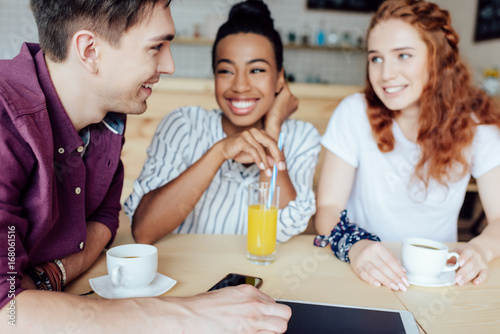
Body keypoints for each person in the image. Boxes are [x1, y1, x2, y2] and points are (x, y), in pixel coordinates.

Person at [0, 0, 290, 332]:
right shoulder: (6, 119)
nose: (169, 65)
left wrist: (49, 276)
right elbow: (7, 314)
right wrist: (188, 314)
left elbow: (105, 221)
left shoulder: (106, 116)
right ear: (89, 50)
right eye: (156, 47)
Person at [315, 0, 500, 292]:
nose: (386, 73)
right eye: (376, 58)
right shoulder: (353, 113)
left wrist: (480, 250)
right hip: (362, 275)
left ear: (437, 59)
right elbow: (327, 208)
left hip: (438, 283)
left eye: (403, 55)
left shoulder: (476, 125)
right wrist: (357, 247)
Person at [125, 0, 320, 244]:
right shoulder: (184, 126)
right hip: (188, 278)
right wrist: (219, 152)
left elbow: (281, 231)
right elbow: (144, 231)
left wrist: (273, 127)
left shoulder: (302, 137)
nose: (240, 86)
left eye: (257, 70)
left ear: (280, 79)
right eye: (226, 71)